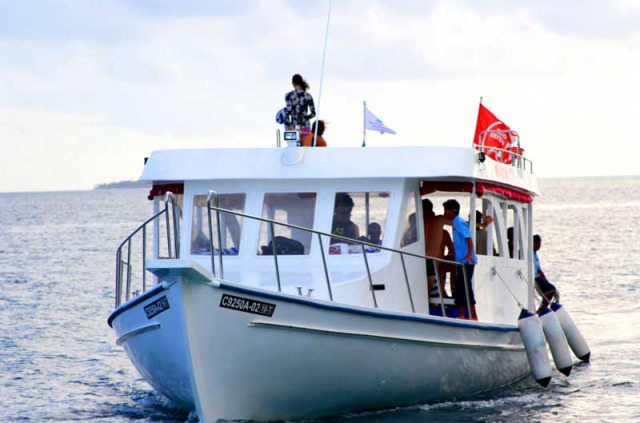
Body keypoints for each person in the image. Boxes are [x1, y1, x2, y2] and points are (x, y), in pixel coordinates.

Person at [443, 199, 478, 320]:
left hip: (467, 262)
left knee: (465, 287)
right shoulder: (455, 222)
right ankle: (462, 314)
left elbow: (468, 239)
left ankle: (473, 315)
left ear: (451, 211)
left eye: (445, 210)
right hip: (461, 261)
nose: (444, 213)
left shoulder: (458, 222)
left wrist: (468, 254)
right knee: (460, 287)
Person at [422, 199, 448, 297]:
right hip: (430, 260)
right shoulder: (439, 220)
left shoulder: (417, 221)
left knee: (429, 293)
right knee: (431, 293)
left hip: (425, 259)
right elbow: (458, 223)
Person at [533, 234, 560, 313]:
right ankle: (542, 310)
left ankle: (543, 309)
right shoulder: (530, 253)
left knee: (553, 290)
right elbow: (535, 270)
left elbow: (539, 269)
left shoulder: (535, 253)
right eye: (537, 244)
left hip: (539, 277)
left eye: (539, 244)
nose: (539, 246)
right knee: (550, 290)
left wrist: (545, 279)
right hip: (535, 277)